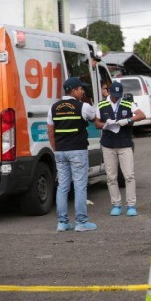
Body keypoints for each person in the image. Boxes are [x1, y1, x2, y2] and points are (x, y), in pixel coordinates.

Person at [47, 77, 98, 232]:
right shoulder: (83, 106)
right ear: (74, 90)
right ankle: (81, 223)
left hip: (60, 151)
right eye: (81, 88)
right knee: (80, 186)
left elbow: (50, 131)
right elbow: (96, 119)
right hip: (78, 151)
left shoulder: (53, 108)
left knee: (62, 186)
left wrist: (56, 149)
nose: (83, 91)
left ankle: (62, 223)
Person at [95, 82, 145, 217]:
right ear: (109, 92)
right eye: (114, 95)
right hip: (108, 144)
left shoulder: (128, 104)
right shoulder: (101, 105)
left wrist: (128, 120)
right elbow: (96, 123)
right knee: (111, 177)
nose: (116, 98)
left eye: (119, 95)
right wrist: (105, 125)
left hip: (124, 143)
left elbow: (141, 115)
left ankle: (131, 205)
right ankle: (116, 204)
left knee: (129, 175)